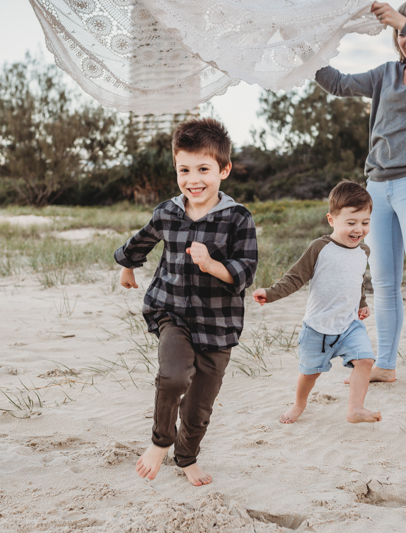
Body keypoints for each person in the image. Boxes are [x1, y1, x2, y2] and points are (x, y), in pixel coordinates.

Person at [315, 0, 406, 414]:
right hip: (377, 188)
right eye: (401, 31)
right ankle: (384, 364)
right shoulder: (385, 75)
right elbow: (337, 82)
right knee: (383, 283)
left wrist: (402, 18)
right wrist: (304, 50)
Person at [114, 118, 258, 486]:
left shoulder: (237, 217)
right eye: (184, 170)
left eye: (204, 169)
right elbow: (142, 240)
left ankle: (186, 457)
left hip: (218, 324)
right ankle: (160, 442)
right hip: (172, 310)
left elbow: (245, 270)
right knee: (174, 375)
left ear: (224, 169)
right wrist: (127, 267)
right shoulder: (168, 212)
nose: (193, 179)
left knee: (198, 408)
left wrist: (213, 265)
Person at [253, 181, 381, 425]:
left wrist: (362, 302)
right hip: (318, 329)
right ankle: (299, 403)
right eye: (351, 223)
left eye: (365, 222)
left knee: (365, 360)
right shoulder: (319, 248)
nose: (359, 229)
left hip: (348, 326)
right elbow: (295, 278)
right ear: (332, 220)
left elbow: (358, 280)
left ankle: (355, 408)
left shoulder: (363, 251)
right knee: (310, 374)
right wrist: (270, 293)